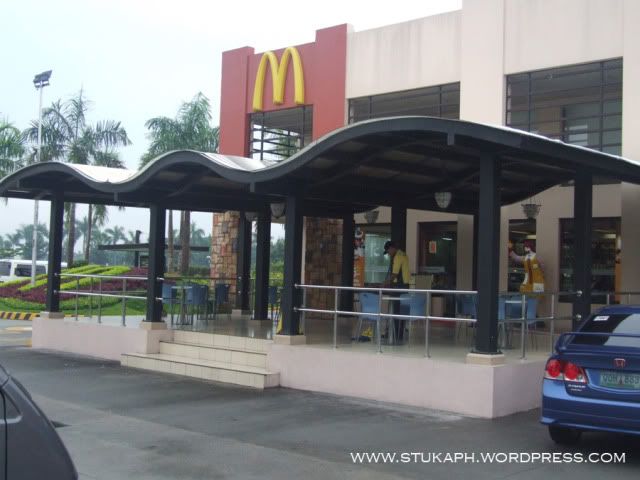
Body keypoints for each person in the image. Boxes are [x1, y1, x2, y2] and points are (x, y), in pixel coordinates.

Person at [382, 240, 411, 343]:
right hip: (405, 286)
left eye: (388, 251)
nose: (389, 254)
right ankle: (398, 333)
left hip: (399, 286)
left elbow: (394, 274)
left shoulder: (398, 256)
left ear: (392, 248)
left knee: (396, 310)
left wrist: (384, 284)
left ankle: (395, 334)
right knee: (401, 311)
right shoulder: (403, 254)